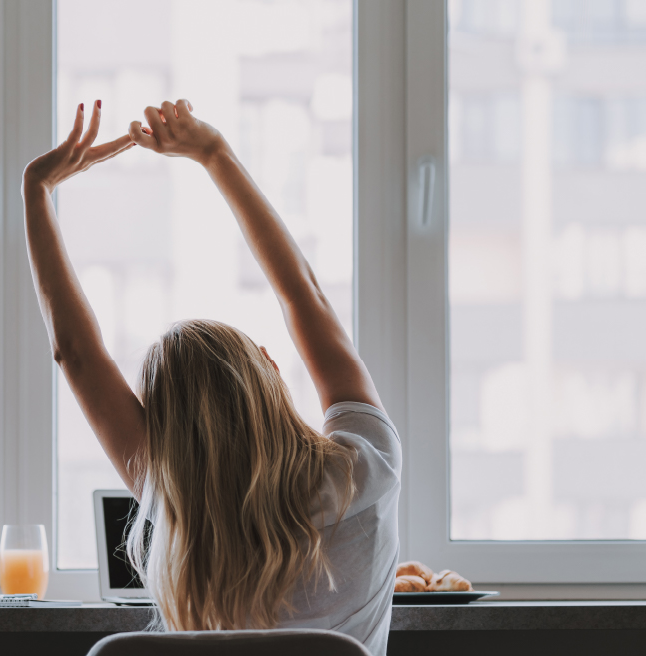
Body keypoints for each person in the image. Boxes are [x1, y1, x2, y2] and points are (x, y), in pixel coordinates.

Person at [22, 99, 401, 655]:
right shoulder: (366, 468)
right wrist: (214, 154)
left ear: (163, 427)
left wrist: (37, 191)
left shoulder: (170, 495)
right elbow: (304, 296)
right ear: (271, 370)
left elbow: (76, 354)